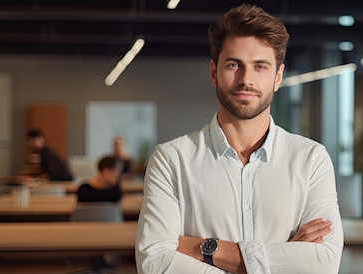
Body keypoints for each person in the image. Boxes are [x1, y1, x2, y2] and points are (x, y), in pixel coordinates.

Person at [135, 4, 343, 274]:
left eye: (260, 66)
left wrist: (204, 248)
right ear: (213, 73)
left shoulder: (311, 159)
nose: (246, 79)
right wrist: (286, 256)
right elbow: (154, 264)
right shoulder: (171, 160)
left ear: (277, 77)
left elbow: (323, 262)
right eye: (234, 65)